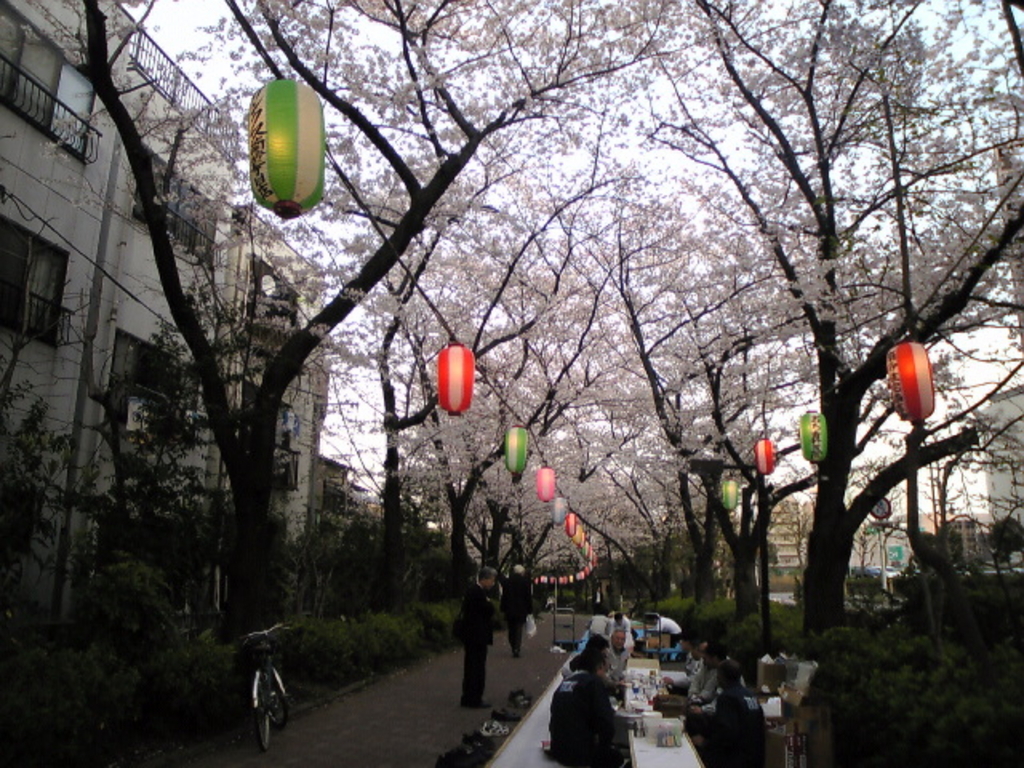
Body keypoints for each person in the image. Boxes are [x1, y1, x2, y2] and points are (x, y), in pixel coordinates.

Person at [549, 646, 624, 768]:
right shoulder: (593, 682)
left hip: (558, 748)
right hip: (580, 753)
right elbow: (606, 722)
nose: (605, 675)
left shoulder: (565, 683)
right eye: (605, 671)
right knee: (618, 758)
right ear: (599, 667)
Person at [691, 659, 766, 768]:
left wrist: (705, 743)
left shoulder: (727, 698)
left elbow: (726, 732)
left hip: (736, 758)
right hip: (755, 757)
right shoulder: (750, 696)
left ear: (722, 676)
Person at [460, 566, 497, 708]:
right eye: (492, 580)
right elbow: (487, 610)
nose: (493, 583)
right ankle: (474, 697)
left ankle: (469, 696)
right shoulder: (478, 593)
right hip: (477, 635)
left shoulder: (472, 591)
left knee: (471, 666)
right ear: (485, 579)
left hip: (472, 635)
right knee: (476, 667)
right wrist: (489, 604)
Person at [500, 564, 533, 658]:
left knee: (511, 629)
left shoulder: (508, 581)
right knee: (519, 628)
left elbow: (504, 596)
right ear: (522, 572)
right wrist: (529, 609)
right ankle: (516, 648)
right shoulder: (525, 582)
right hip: (521, 608)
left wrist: (502, 608)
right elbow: (528, 596)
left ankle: (513, 644)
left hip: (509, 608)